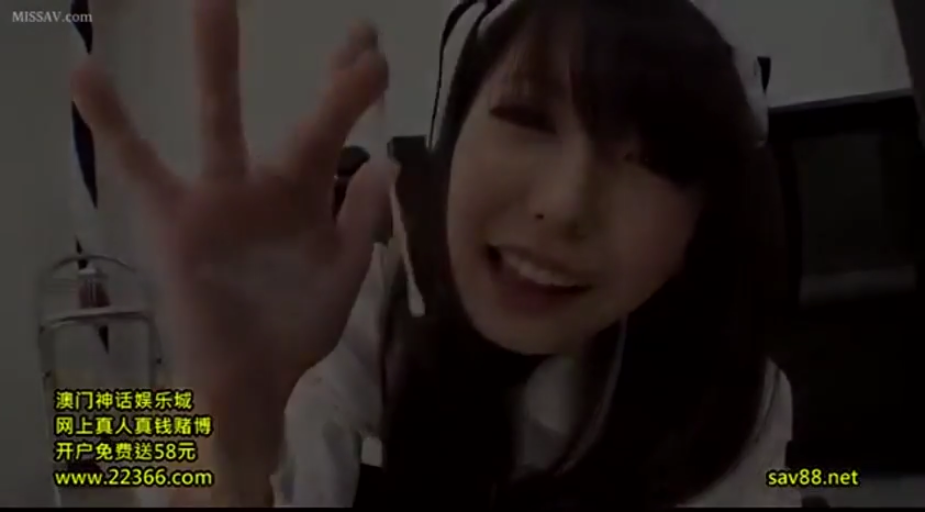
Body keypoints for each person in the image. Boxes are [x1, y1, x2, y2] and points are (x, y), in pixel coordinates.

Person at [70, 0, 798, 507]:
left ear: (698, 228)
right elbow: (99, 458)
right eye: (527, 116)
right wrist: (223, 447)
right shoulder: (348, 304)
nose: (566, 204)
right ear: (450, 137)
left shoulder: (736, 405)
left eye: (652, 159)